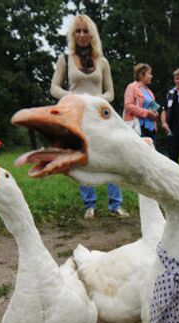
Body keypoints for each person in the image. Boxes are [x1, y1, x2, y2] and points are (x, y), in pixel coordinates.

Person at [50, 14, 128, 220]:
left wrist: (96, 100)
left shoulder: (102, 62)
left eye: (86, 31)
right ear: (73, 35)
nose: (82, 34)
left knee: (111, 157)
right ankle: (90, 205)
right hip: (77, 117)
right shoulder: (65, 60)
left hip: (99, 117)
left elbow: (110, 92)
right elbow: (54, 88)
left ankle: (115, 204)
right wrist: (75, 97)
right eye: (78, 31)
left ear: (92, 34)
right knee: (82, 158)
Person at [123, 63, 159, 142]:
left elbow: (154, 109)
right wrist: (147, 113)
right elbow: (128, 106)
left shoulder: (150, 92)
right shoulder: (131, 87)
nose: (151, 76)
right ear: (141, 75)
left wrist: (156, 114)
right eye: (149, 73)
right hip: (138, 127)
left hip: (151, 129)